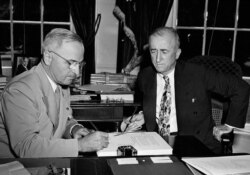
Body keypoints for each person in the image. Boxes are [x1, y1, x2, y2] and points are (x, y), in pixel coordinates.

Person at [121, 27, 250, 155]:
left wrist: (229, 125)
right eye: (153, 51)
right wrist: (144, 116)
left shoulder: (197, 73)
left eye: (164, 51)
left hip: (197, 147)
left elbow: (241, 87)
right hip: (159, 145)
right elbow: (158, 106)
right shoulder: (145, 76)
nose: (158, 59)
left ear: (177, 53)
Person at [0, 28, 109, 158]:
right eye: (71, 63)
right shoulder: (20, 90)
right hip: (22, 171)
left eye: (79, 64)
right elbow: (26, 147)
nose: (77, 73)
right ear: (48, 57)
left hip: (48, 166)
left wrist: (74, 129)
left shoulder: (61, 84)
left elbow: (63, 119)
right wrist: (79, 145)